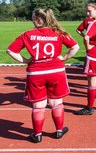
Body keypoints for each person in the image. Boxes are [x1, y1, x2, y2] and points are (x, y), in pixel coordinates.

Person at [7, 8, 79, 143]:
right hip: (56, 71)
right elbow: (75, 47)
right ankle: (59, 131)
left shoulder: (27, 34)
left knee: (38, 106)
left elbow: (10, 50)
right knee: (56, 103)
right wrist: (64, 58)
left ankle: (37, 134)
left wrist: (26, 60)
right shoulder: (58, 32)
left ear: (35, 19)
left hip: (36, 73)